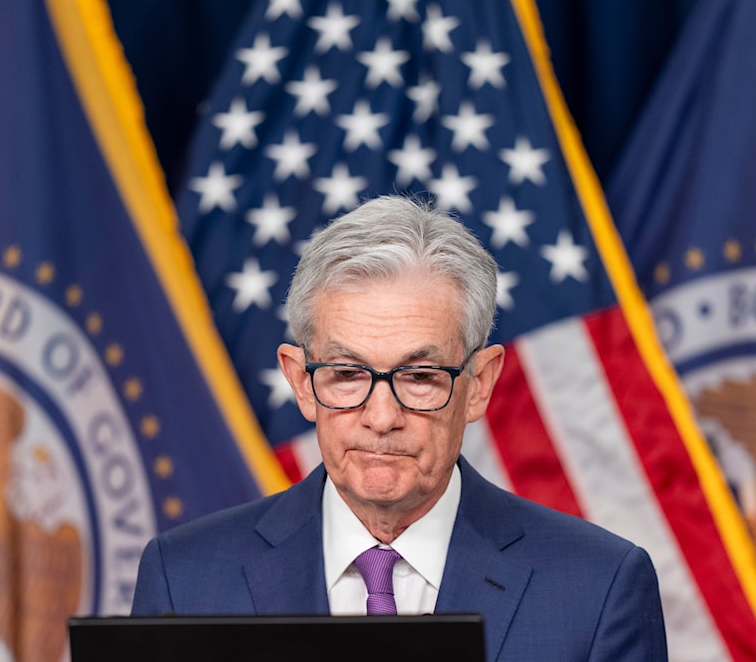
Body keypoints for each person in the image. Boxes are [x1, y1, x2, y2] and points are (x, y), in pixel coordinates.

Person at [131, 195, 668, 660]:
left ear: (479, 383)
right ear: (299, 381)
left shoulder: (599, 589)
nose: (382, 418)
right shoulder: (185, 579)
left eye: (419, 377)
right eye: (346, 374)